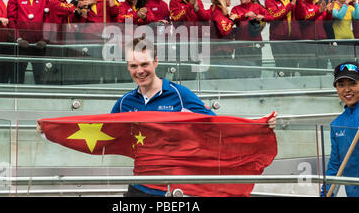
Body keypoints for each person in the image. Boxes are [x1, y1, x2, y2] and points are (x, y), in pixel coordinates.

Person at [110, 36, 277, 196]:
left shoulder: (179, 94)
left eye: (144, 64)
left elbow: (216, 124)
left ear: (156, 62)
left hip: (174, 188)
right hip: (141, 187)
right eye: (133, 66)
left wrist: (257, 125)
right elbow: (105, 131)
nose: (139, 71)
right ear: (127, 66)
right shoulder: (125, 103)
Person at [321, 61, 359, 197]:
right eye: (341, 85)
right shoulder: (337, 124)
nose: (347, 90)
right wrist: (325, 193)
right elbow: (335, 165)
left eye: (353, 84)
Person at [7, 0, 49, 84]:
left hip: (39, 46)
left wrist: (45, 40)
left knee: (40, 78)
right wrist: (18, 39)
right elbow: (11, 20)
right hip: (21, 46)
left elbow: (48, 20)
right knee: (17, 77)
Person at [231, 0, 274, 78]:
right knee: (241, 76)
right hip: (240, 49)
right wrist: (245, 15)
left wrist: (262, 17)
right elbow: (231, 20)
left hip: (254, 48)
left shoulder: (257, 7)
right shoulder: (235, 9)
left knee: (256, 76)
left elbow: (271, 17)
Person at [264, 0, 301, 77]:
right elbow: (275, 16)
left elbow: (302, 15)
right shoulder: (269, 1)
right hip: (278, 40)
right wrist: (291, 4)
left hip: (294, 39)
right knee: (282, 69)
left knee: (294, 68)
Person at [293, 0, 332, 76]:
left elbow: (326, 23)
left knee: (322, 72)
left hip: (322, 43)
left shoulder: (319, 6)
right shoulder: (301, 4)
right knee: (307, 72)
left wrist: (329, 13)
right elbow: (304, 18)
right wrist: (318, 12)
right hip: (307, 44)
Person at [208, 0, 237, 79]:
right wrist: (232, 20)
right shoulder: (218, 12)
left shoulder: (220, 12)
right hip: (220, 53)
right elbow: (224, 31)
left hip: (220, 51)